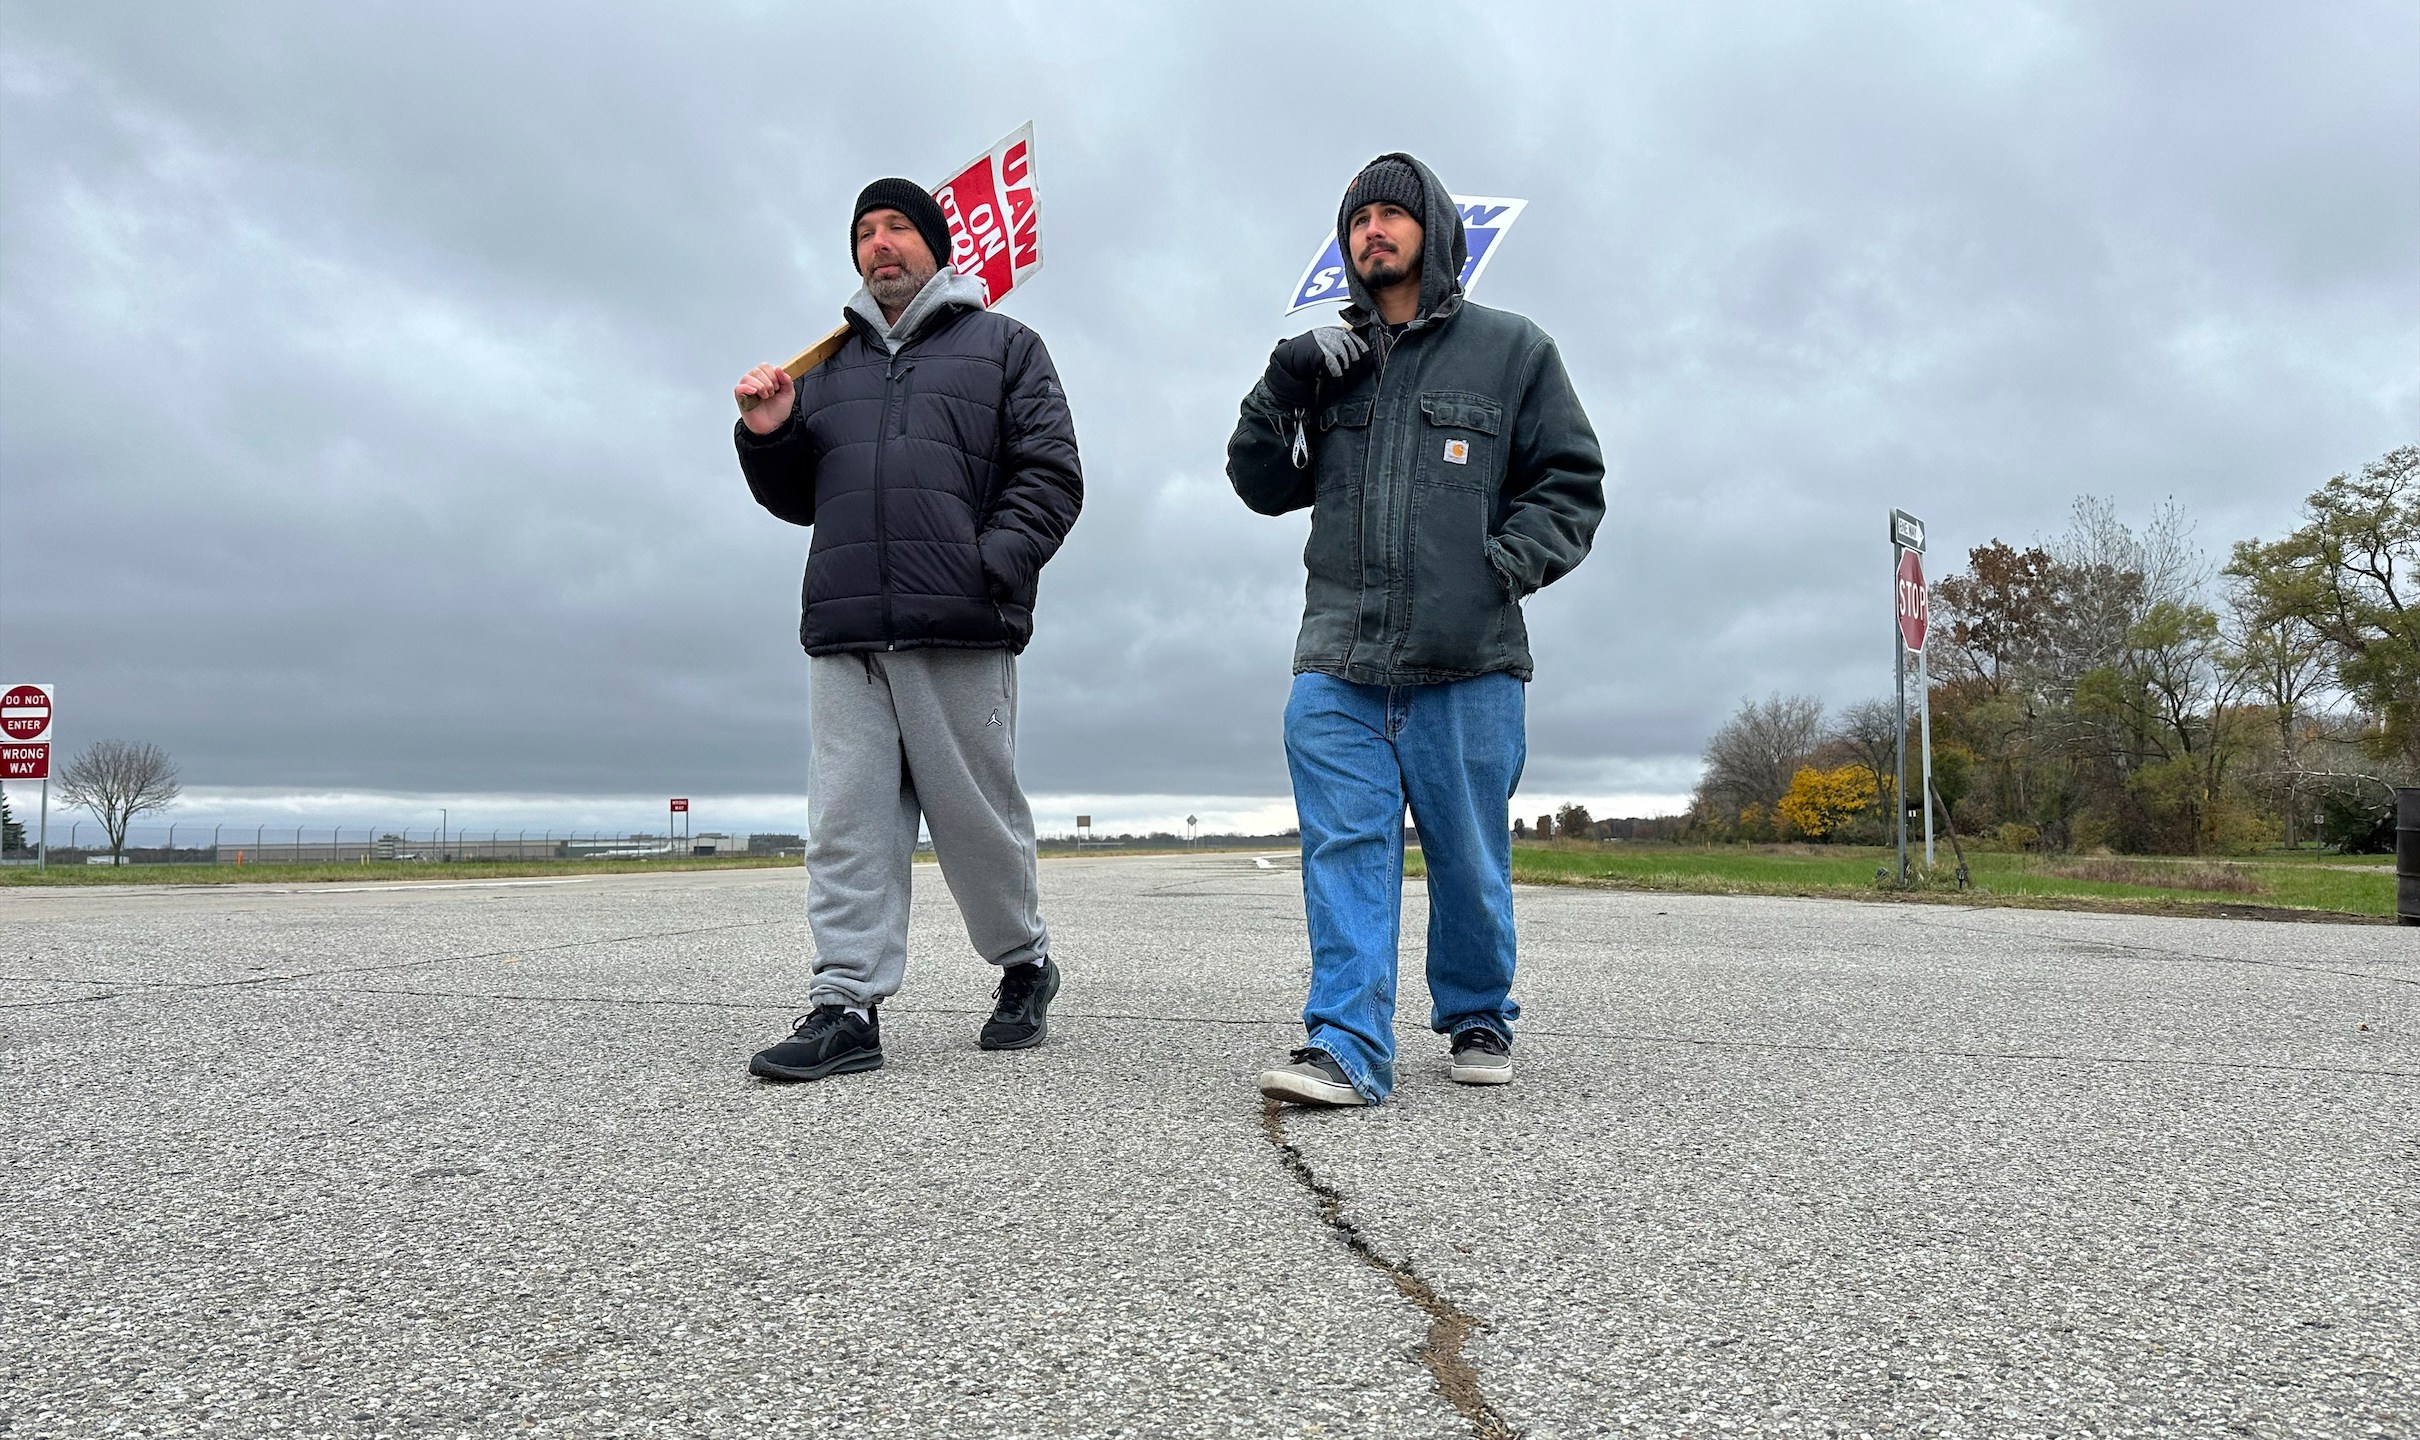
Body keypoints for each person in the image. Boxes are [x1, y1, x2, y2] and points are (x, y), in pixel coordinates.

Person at [1228, 154, 1605, 1107]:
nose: (1372, 233)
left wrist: (1503, 568)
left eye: (1392, 216)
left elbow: (1570, 481)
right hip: (1339, 661)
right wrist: (1284, 383)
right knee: (1345, 849)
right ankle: (1346, 1042)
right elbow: (1261, 483)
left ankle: (1477, 1007)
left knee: (1469, 860)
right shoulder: (1328, 362)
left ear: (1434, 234)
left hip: (1469, 660)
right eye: (1357, 222)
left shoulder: (1513, 351)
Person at [731, 177, 1081, 1082]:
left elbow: (1052, 477)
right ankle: (845, 1005)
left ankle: (1024, 966)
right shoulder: (828, 369)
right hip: (846, 629)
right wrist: (769, 434)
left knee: (977, 823)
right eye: (864, 232)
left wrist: (984, 566)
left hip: (959, 626)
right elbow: (797, 497)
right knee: (846, 824)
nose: (880, 244)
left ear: (936, 244)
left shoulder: (1005, 347)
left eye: (898, 228)